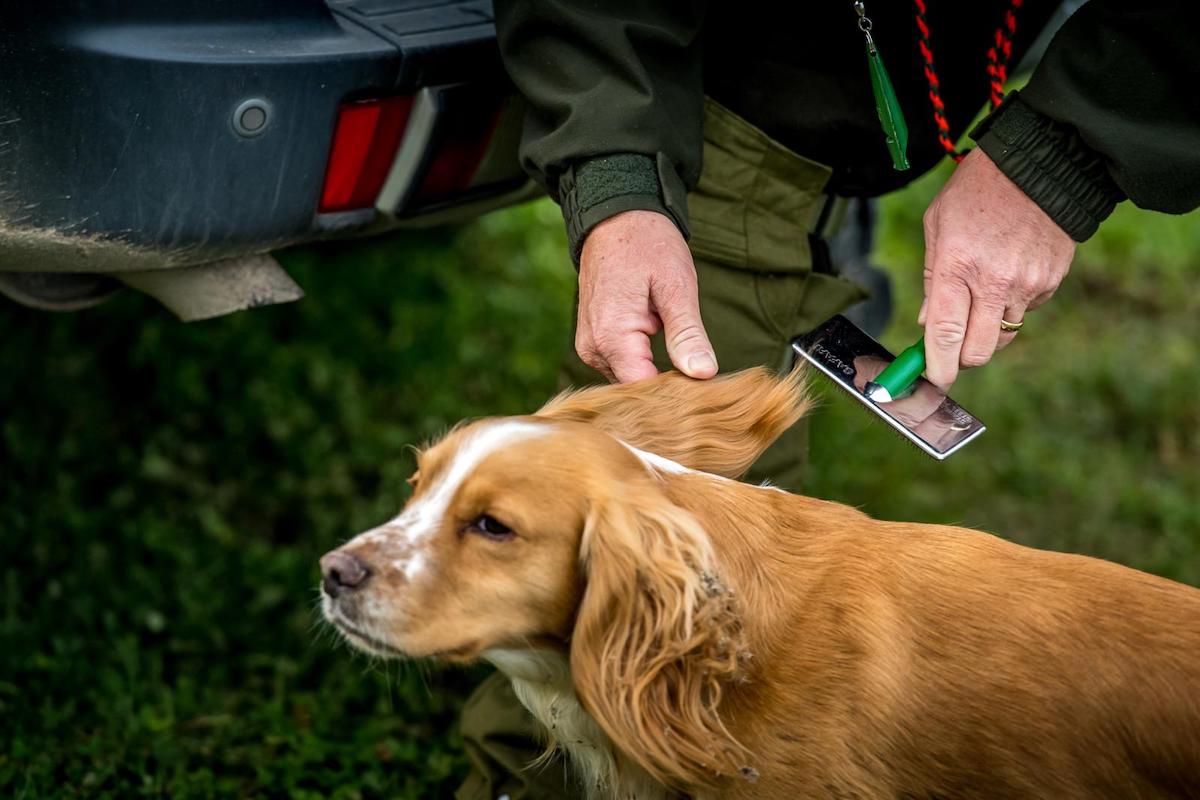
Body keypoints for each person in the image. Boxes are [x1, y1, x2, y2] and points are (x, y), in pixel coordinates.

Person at [456, 2, 1200, 797]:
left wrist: (1064, 154)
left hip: (883, 113)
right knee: (669, 556)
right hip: (718, 111)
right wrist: (615, 181)